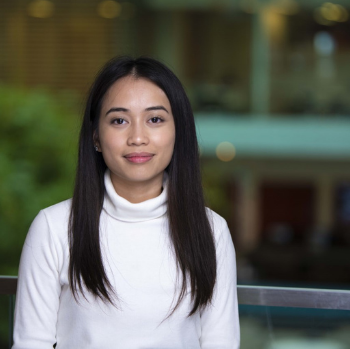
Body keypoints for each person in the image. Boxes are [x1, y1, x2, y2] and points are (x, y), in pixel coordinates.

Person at [12, 56, 240, 349]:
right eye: (119, 120)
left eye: (155, 119)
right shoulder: (54, 227)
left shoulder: (211, 230)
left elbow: (220, 343)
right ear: (96, 136)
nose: (137, 137)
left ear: (178, 131)